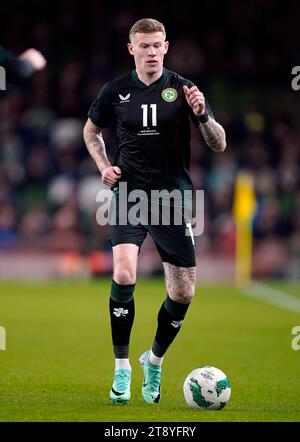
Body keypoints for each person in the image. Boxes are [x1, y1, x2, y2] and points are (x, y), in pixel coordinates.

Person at [83, 18, 226, 405]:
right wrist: (103, 166)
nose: (151, 52)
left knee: (182, 292)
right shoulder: (115, 91)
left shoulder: (184, 89)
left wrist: (203, 116)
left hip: (172, 198)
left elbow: (219, 144)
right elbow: (90, 131)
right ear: (132, 49)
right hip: (128, 194)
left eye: (157, 45)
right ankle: (122, 369)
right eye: (143, 46)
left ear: (166, 47)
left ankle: (154, 360)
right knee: (124, 271)